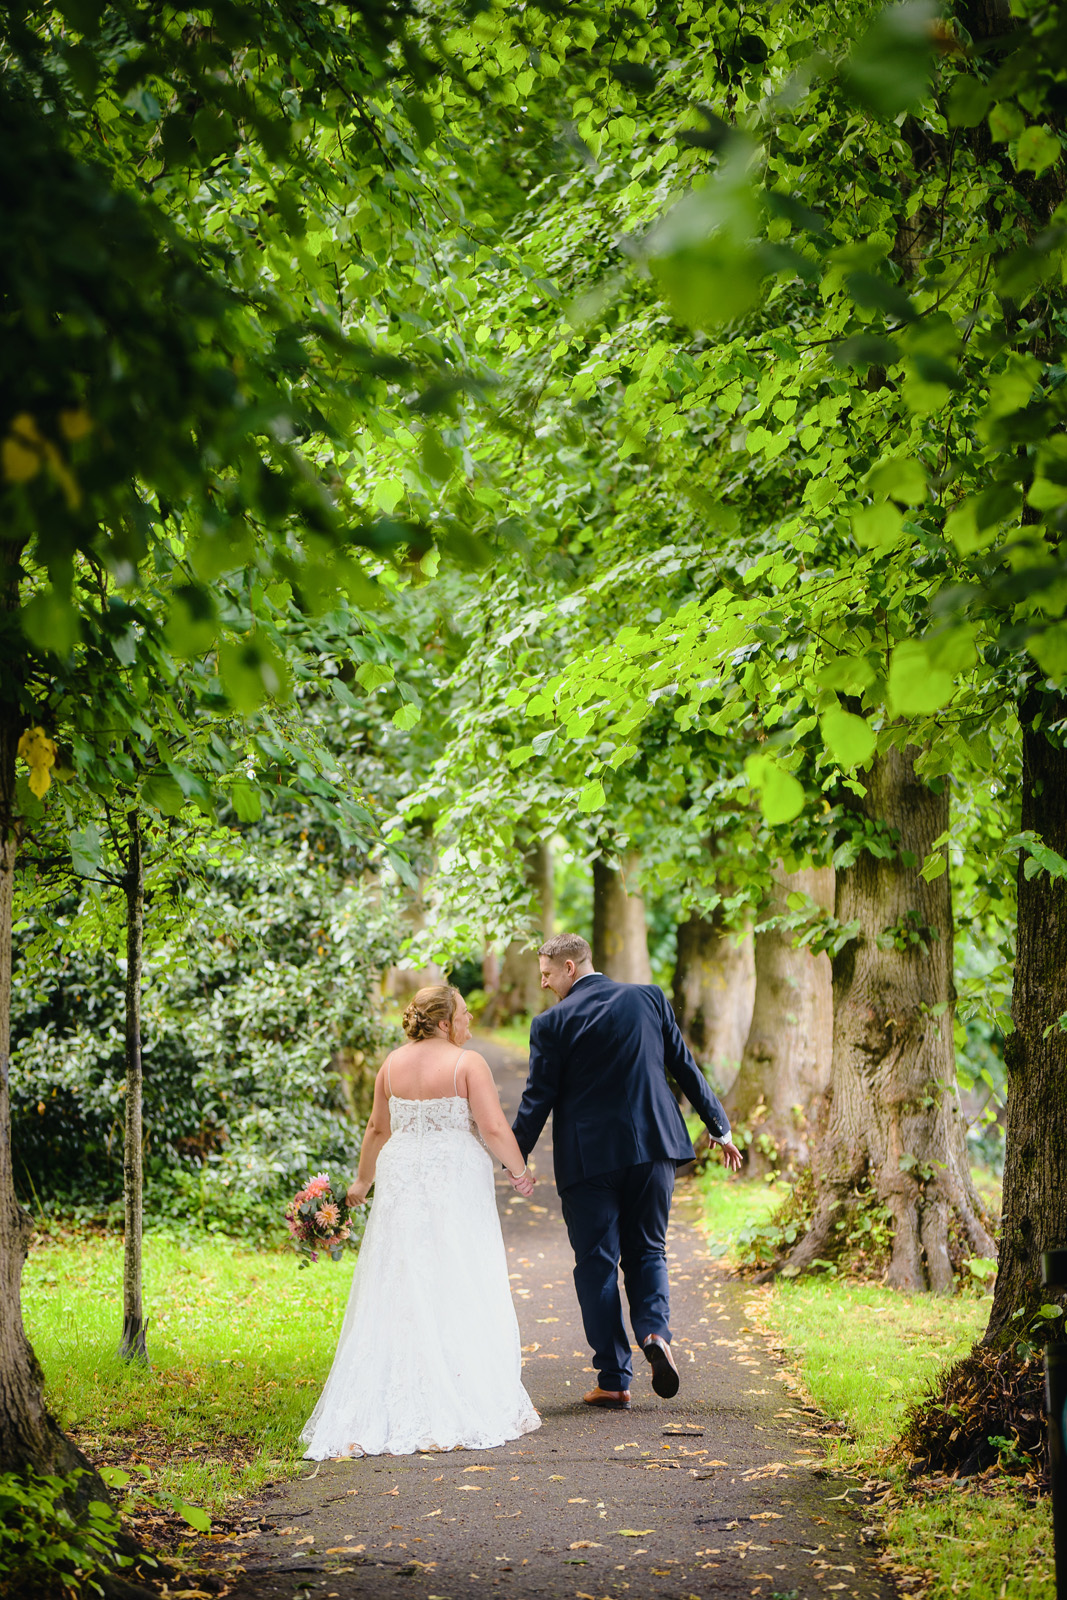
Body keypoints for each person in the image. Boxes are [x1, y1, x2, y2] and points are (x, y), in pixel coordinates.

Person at [300, 985, 541, 1457]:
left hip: (402, 1171)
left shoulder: (391, 1064)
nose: (470, 1023)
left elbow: (377, 1128)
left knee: (401, 1273)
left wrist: (361, 1184)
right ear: (444, 1021)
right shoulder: (466, 1063)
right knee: (459, 1269)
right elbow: (492, 1127)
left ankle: (394, 1402)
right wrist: (519, 1172)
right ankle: (457, 1397)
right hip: (453, 1172)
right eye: (465, 1015)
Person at [512, 932, 743, 1412]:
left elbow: (538, 1100)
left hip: (588, 1160)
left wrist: (516, 1158)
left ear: (571, 967)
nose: (545, 983)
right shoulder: (649, 998)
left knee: (596, 1265)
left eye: (548, 973)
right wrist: (719, 1129)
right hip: (655, 1148)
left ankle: (614, 1380)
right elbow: (685, 1068)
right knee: (649, 1251)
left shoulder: (551, 1023)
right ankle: (655, 1332)